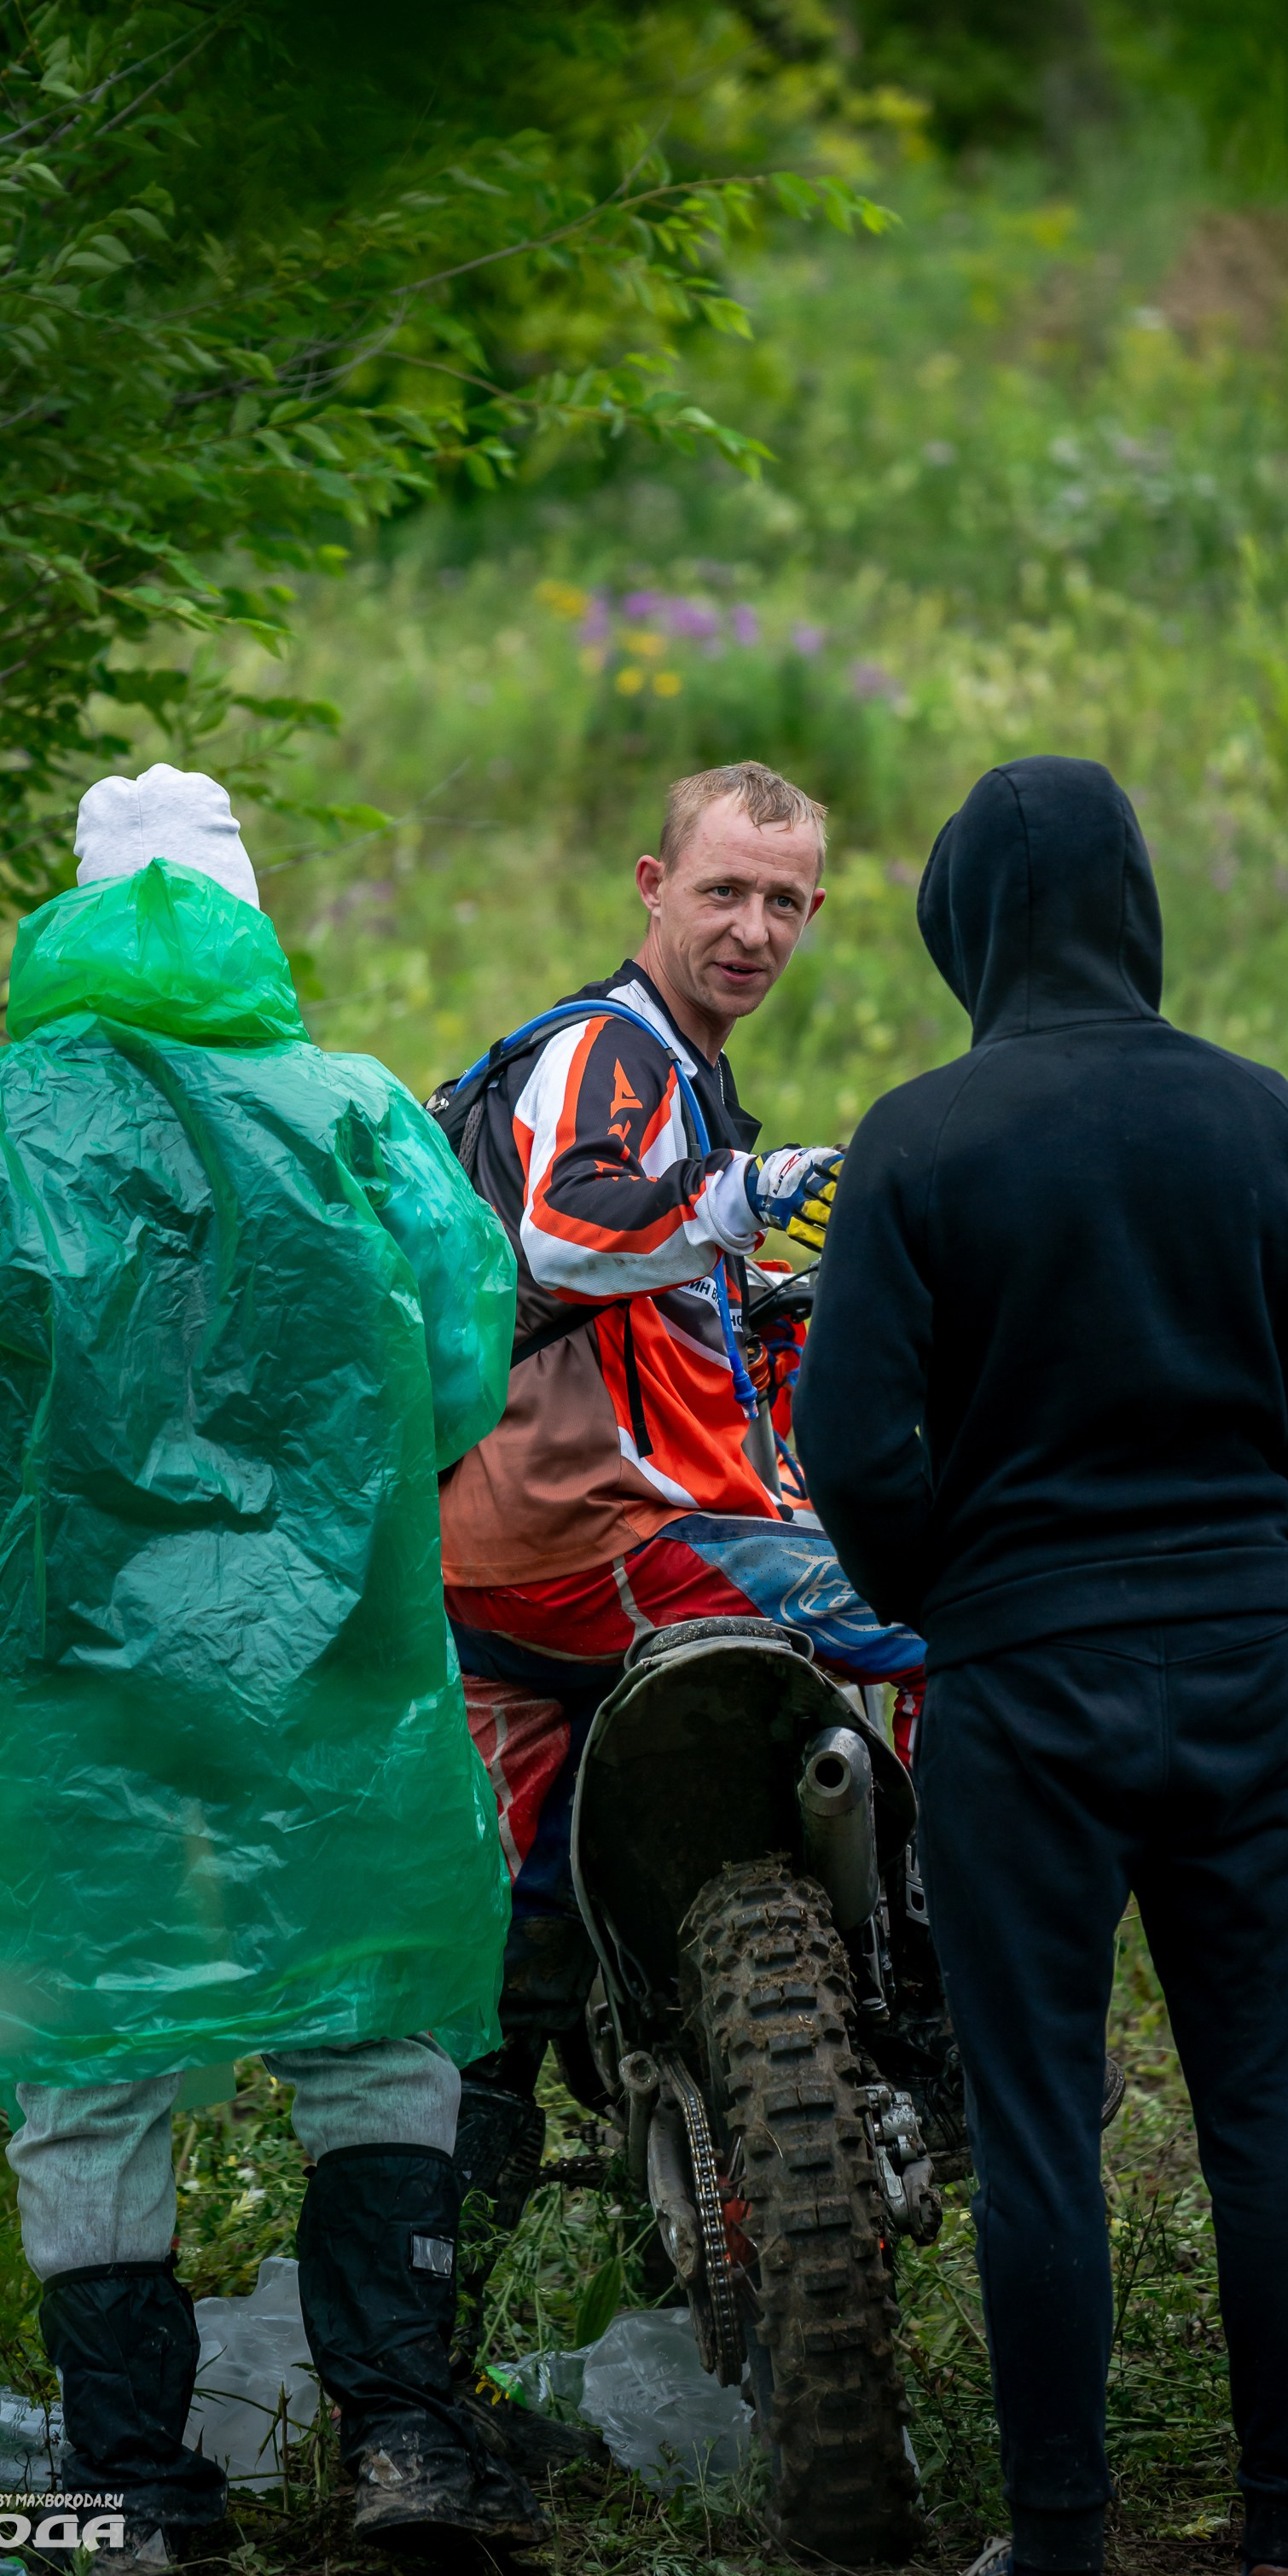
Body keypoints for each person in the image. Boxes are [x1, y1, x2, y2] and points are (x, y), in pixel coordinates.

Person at [0, 768, 530, 2576]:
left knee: (94, 2047)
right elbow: (457, 1365)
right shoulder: (355, 1113)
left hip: (62, 1676)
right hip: (333, 1664)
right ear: (250, 920)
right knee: (370, 2015)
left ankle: (136, 2488)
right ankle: (405, 2440)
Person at [794, 755, 1288, 2576]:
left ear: (963, 922)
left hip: (1023, 1681)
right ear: (1139, 904)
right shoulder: (1270, 1127)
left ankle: (1061, 2554)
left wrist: (955, 1599)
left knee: (1046, 2116)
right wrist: (1266, 1608)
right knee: (1268, 2114)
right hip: (1240, 1667)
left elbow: (856, 1444)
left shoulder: (921, 1135)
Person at [433, 760, 926, 2221]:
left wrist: (756, 1285)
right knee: (952, 1617)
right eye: (722, 890)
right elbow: (572, 1234)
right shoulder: (611, 1048)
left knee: (513, 1944)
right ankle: (942, 1983)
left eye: (784, 901)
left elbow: (613, 1287)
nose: (753, 930)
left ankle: (426, 2364)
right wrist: (749, 1194)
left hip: (491, 1563)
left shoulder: (672, 1069)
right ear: (652, 887)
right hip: (614, 1542)